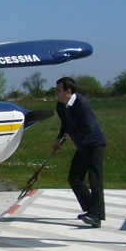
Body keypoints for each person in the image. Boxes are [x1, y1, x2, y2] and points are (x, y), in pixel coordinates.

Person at [52, 76, 107, 227]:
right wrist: (59, 139)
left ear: (68, 91)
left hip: (95, 144)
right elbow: (65, 124)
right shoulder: (61, 106)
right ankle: (91, 210)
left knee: (95, 179)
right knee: (74, 178)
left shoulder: (81, 103)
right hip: (82, 145)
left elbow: (88, 127)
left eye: (58, 90)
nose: (56, 93)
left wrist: (72, 135)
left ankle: (96, 216)